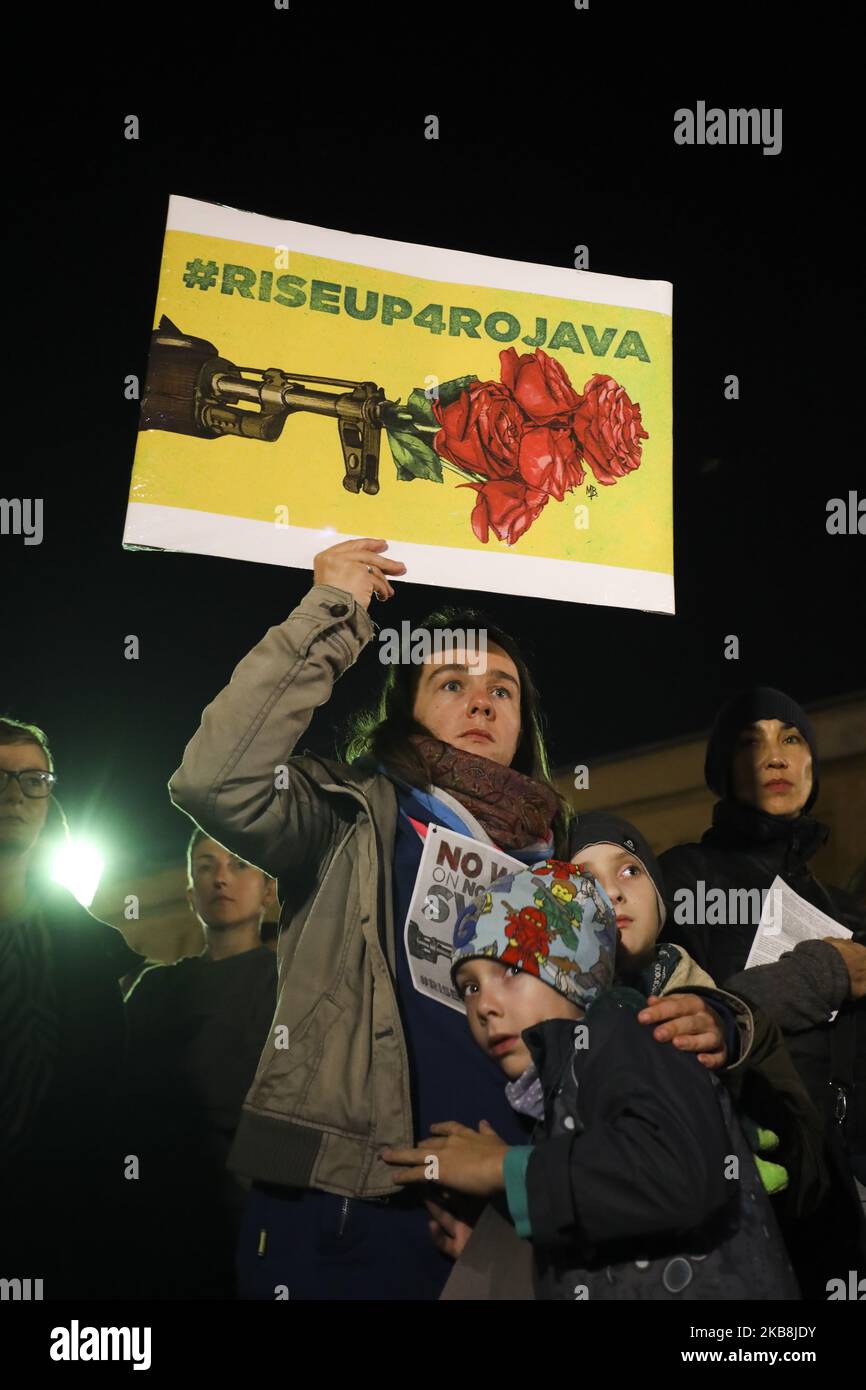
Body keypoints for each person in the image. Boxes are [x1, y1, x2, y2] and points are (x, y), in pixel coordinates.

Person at [169, 537, 727, 1300]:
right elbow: (213, 781)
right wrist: (332, 610)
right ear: (406, 708)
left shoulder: (559, 862)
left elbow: (645, 997)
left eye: (502, 687)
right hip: (342, 1209)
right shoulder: (344, 816)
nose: (481, 700)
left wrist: (724, 1016)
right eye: (451, 681)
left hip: (507, 1218)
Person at [382, 858, 800, 1300]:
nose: (484, 1005)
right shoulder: (561, 1093)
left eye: (511, 970)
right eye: (470, 987)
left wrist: (502, 1169)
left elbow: (677, 1172)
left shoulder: (630, 1031)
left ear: (571, 966)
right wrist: (509, 1249)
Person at [658, 686, 866, 1291]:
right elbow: (682, 1014)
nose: (774, 757)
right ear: (722, 770)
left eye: (792, 739)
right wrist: (820, 975)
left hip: (840, 1194)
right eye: (751, 742)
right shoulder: (681, 878)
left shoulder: (844, 906)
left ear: (811, 767)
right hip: (740, 1187)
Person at [0, 717, 144, 1299]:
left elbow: (102, 1096)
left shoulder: (85, 952)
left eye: (34, 779)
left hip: (59, 1232)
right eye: (1, 777)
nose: (15, 794)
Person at [124, 830, 278, 1297]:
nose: (221, 879)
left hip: (249, 1214)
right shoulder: (154, 989)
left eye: (238, 865)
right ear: (191, 892)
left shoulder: (290, 984)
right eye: (206, 866)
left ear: (269, 890)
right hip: (160, 1215)